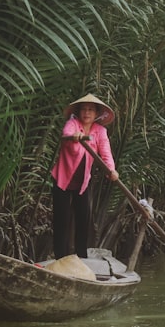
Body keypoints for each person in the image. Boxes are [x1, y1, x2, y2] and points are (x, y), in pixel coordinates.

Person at [50, 93, 119, 260]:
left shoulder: (100, 131)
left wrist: (111, 170)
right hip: (63, 180)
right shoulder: (72, 124)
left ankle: (82, 258)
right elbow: (67, 135)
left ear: (96, 114)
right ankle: (61, 258)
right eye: (83, 109)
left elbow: (106, 153)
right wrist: (75, 138)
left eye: (90, 110)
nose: (86, 113)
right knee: (62, 220)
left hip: (82, 182)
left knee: (83, 220)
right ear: (79, 112)